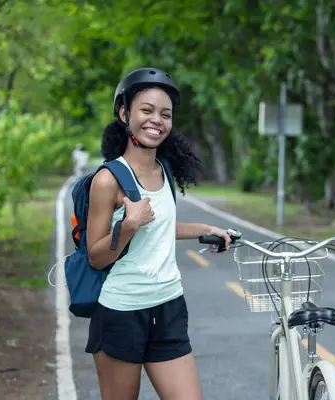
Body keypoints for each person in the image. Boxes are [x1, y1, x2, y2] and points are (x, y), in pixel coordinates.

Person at [84, 67, 231, 400]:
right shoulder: (108, 180)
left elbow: (161, 228)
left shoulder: (163, 169)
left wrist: (208, 229)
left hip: (168, 307)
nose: (157, 120)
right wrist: (128, 225)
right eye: (146, 110)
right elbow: (95, 256)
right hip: (122, 312)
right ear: (125, 113)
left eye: (165, 114)